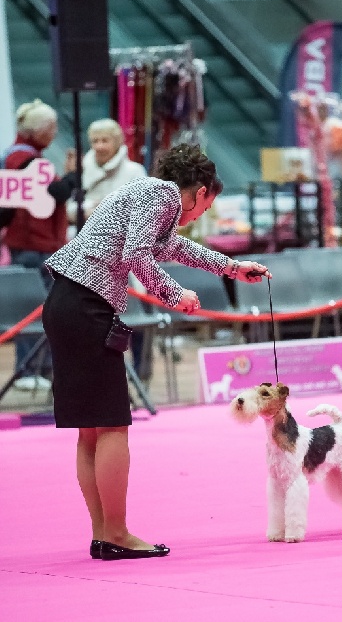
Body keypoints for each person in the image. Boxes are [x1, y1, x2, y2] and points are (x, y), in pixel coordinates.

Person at [42, 143, 271, 561]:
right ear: (200, 191)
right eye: (202, 209)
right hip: (86, 306)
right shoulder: (161, 195)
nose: (196, 217)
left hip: (65, 303)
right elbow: (136, 256)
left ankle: (104, 532)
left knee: (91, 429)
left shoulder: (148, 196)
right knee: (111, 425)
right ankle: (117, 532)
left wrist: (234, 268)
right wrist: (174, 292)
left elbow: (178, 250)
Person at [0, 99, 76, 390]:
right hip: (36, 246)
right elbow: (55, 193)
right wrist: (72, 177)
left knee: (37, 308)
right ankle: (30, 369)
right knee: (34, 308)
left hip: (30, 245)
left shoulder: (13, 156)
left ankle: (38, 369)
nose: (56, 133)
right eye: (52, 127)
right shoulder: (27, 161)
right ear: (39, 130)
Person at [65, 118, 148, 374]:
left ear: (118, 142)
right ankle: (101, 375)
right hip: (87, 256)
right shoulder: (79, 170)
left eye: (105, 140)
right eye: (95, 141)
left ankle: (141, 373)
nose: (99, 146)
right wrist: (93, 209)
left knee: (138, 318)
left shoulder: (134, 172)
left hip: (128, 255)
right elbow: (66, 211)